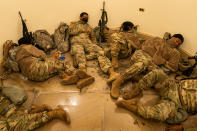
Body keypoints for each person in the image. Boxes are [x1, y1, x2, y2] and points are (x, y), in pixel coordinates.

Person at [116, 69, 197, 130]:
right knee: (157, 73)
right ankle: (135, 92)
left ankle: (131, 106)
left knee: (160, 114)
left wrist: (182, 127)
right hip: (174, 86)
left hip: (176, 104)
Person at [110, 33, 184, 98]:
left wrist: (163, 61)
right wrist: (153, 55)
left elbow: (174, 67)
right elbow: (143, 46)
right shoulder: (157, 40)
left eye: (179, 44)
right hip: (142, 54)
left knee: (157, 76)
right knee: (145, 62)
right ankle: (118, 81)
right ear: (172, 38)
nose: (177, 44)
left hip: (153, 64)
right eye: (177, 41)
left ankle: (135, 81)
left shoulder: (175, 53)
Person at [1, 40, 94, 89]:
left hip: (35, 78)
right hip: (38, 67)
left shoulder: (11, 60)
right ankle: (79, 74)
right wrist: (55, 57)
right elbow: (43, 55)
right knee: (63, 60)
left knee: (55, 67)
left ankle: (70, 78)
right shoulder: (25, 47)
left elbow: (13, 70)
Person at [69, 12, 118, 81]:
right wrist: (81, 30)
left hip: (88, 44)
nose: (86, 19)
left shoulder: (89, 27)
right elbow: (69, 32)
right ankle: (83, 71)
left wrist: (95, 44)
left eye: (87, 18)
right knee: (79, 52)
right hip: (77, 43)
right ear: (80, 17)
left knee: (101, 51)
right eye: (84, 17)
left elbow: (93, 37)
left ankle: (110, 71)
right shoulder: (74, 24)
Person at [0, 88, 70, 130]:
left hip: (5, 105)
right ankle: (34, 111)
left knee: (11, 126)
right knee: (13, 118)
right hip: (6, 106)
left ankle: (54, 113)